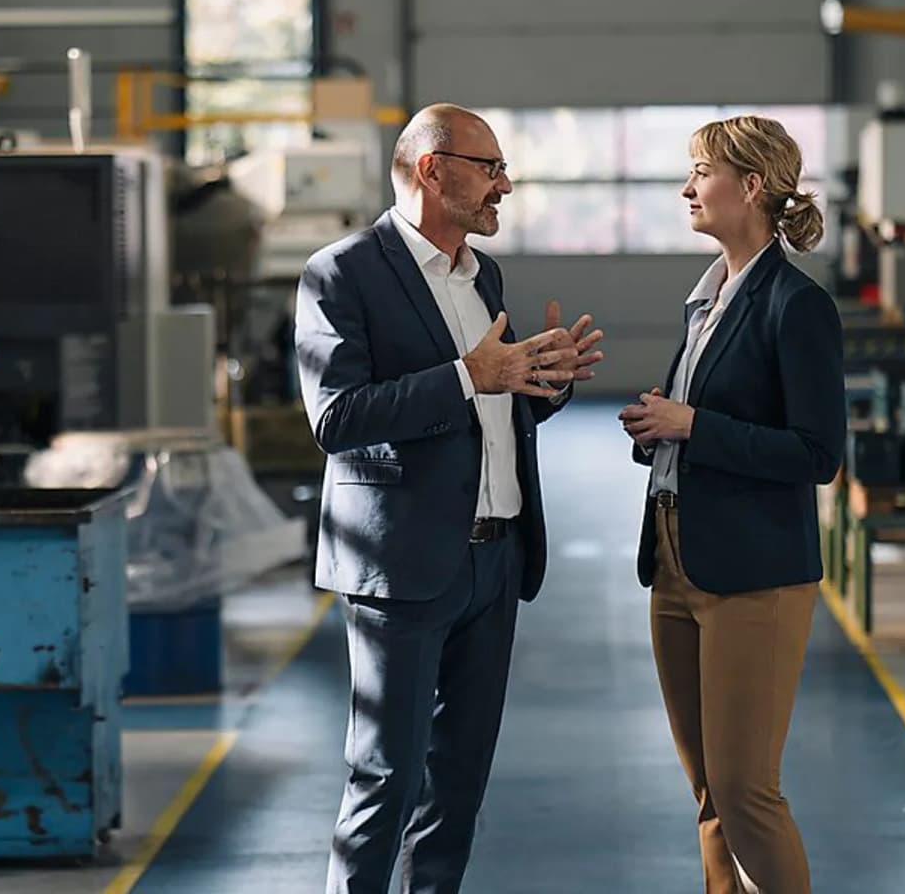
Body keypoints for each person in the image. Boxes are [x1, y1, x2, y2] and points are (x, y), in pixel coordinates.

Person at [295, 103, 604, 894]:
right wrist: (472, 374)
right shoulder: (342, 273)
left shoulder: (482, 273)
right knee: (384, 780)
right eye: (489, 166)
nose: (505, 184)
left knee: (457, 787)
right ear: (432, 169)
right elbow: (338, 418)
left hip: (494, 559)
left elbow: (497, 407)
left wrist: (545, 379)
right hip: (400, 568)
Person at [618, 114, 845, 894]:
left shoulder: (795, 305)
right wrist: (661, 430)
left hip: (754, 574)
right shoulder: (706, 302)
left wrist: (695, 425)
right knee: (712, 794)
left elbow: (817, 454)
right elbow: (706, 426)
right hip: (678, 561)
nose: (687, 188)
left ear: (750, 186)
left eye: (700, 172)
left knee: (748, 792)